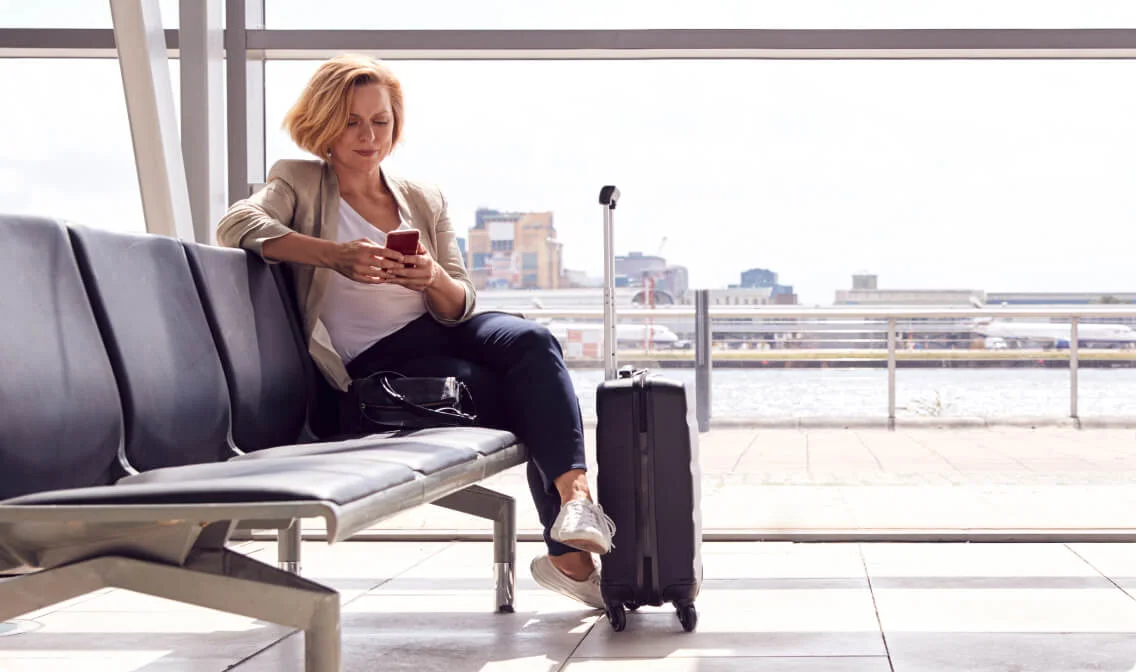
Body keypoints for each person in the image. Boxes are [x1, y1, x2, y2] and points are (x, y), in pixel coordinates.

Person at [217, 54, 613, 609]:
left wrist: (431, 277)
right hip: (379, 361)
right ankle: (569, 557)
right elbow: (237, 225)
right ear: (325, 122)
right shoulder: (299, 180)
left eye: (379, 121)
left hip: (441, 326)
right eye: (351, 121)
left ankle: (577, 503)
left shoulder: (421, 195)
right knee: (516, 393)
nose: (367, 135)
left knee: (533, 341)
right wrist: (335, 257)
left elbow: (461, 299)